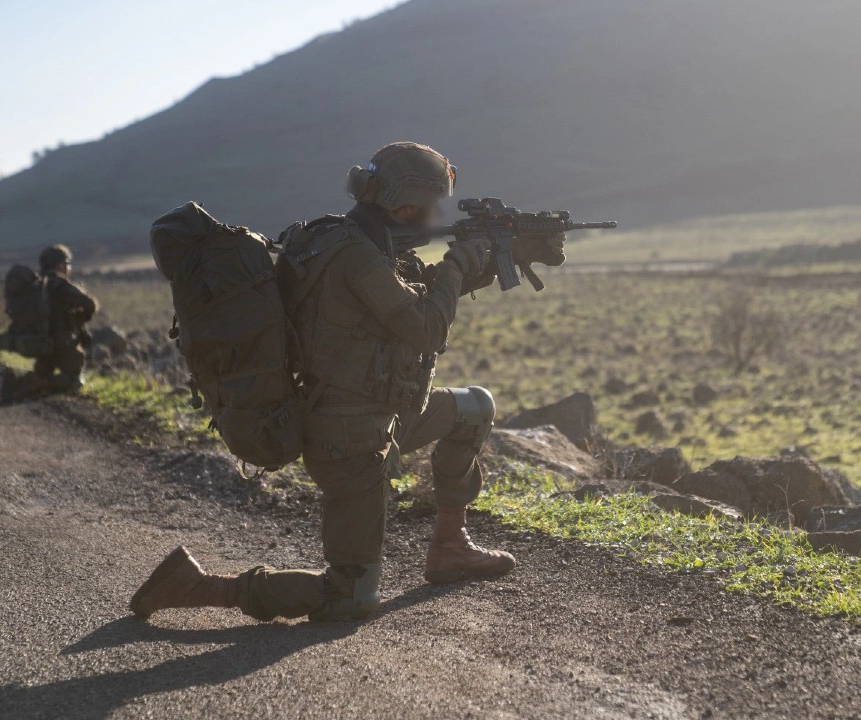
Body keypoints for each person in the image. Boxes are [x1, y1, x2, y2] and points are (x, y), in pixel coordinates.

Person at [131, 142, 567, 622]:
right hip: (347, 441)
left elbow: (418, 291)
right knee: (351, 597)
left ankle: (450, 547)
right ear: (406, 206)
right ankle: (202, 586)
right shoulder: (356, 257)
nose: (436, 216)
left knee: (475, 409)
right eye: (432, 205)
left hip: (383, 413)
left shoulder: (347, 240)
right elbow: (425, 326)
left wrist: (509, 254)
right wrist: (457, 263)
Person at [0, 245, 99, 401]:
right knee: (74, 381)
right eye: (67, 264)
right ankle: (33, 383)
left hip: (42, 343)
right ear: (61, 265)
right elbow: (89, 304)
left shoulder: (36, 286)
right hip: (62, 343)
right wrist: (80, 318)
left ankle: (22, 383)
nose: (68, 268)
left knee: (43, 372)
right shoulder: (59, 285)